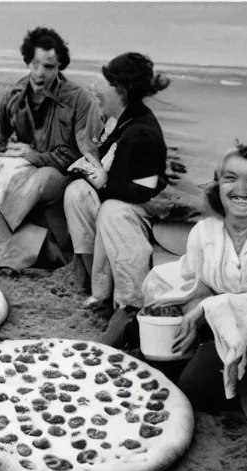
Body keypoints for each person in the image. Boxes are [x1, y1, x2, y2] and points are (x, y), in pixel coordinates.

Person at [142, 143, 247, 471]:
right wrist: (189, 304)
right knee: (191, 390)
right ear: (217, 183)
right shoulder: (204, 233)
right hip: (230, 336)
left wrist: (217, 306)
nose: (241, 190)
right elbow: (198, 285)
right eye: (230, 178)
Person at [0, 27, 104, 271]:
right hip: (24, 166)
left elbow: (86, 157)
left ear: (59, 67)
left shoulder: (79, 100)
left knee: (40, 178)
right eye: (35, 64)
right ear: (28, 61)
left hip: (61, 175)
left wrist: (30, 155)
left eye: (48, 67)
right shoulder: (17, 92)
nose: (39, 73)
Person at [62, 52, 171, 347]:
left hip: (136, 209)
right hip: (127, 193)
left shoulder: (140, 132)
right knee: (77, 193)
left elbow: (142, 188)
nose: (97, 87)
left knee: (110, 209)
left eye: (106, 81)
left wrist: (104, 183)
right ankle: (91, 284)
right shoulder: (125, 119)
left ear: (121, 89)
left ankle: (129, 306)